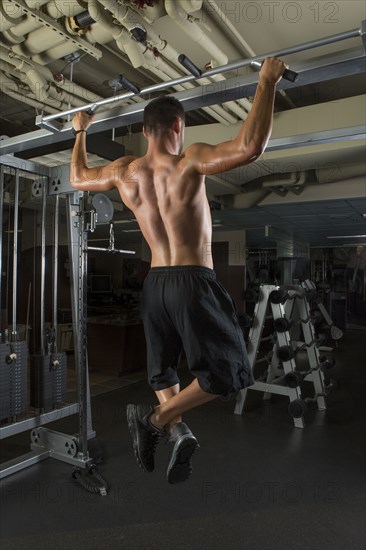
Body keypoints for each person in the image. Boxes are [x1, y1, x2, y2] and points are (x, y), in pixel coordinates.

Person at [70, 56, 287, 484]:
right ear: (177, 127)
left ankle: (178, 429)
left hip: (155, 285)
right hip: (192, 280)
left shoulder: (123, 172)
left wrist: (80, 131)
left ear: (144, 131)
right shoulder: (189, 161)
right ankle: (156, 419)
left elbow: (77, 177)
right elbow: (249, 148)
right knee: (230, 371)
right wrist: (266, 82)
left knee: (162, 371)